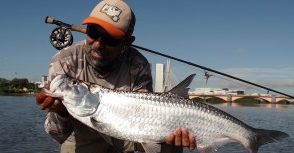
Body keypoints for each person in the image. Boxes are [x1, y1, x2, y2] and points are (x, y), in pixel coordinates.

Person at [36, 0, 196, 152]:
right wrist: (61, 112)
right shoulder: (64, 61)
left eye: (110, 39)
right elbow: (57, 134)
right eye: (93, 32)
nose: (98, 44)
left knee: (170, 142)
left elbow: (146, 118)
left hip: (128, 134)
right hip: (81, 138)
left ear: (127, 41)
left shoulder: (138, 64)